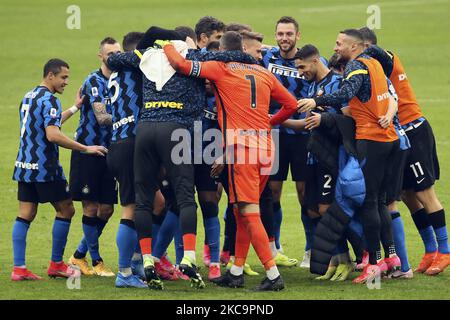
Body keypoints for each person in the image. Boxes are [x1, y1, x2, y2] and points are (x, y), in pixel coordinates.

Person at [161, 30, 299, 291]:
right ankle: (236, 271)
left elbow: (180, 65)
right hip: (267, 149)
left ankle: (273, 275)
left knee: (248, 211)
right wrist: (268, 123)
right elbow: (291, 105)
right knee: (241, 211)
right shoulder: (264, 72)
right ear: (244, 49)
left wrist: (166, 44)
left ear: (222, 49)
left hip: (242, 150)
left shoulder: (221, 67)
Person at [297, 29, 400, 284]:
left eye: (339, 43)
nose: (335, 47)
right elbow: (391, 95)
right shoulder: (376, 64)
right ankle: (391, 256)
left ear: (354, 47)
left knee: (368, 203)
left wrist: (314, 100)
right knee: (379, 202)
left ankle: (373, 264)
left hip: (371, 140)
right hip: (388, 140)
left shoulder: (358, 66)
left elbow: (345, 93)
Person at [360, 27, 450, 276]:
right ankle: (430, 249)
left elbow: (380, 54)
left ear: (367, 47)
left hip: (414, 130)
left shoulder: (386, 58)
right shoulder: (368, 70)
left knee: (424, 192)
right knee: (407, 195)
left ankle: (445, 250)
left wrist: (363, 49)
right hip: (397, 135)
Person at [11, 58, 107, 281]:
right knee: (67, 210)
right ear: (50, 76)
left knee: (25, 214)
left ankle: (19, 268)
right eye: (63, 77)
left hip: (24, 165)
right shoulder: (51, 100)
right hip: (45, 167)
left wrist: (74, 108)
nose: (66, 82)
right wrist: (86, 148)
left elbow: (47, 122)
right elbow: (52, 134)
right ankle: (56, 264)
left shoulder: (29, 96)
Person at [282, 44, 354, 281]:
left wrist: (324, 119)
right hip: (313, 154)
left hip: (331, 156)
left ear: (314, 61)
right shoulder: (313, 86)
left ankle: (348, 260)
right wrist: (278, 122)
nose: (300, 72)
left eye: (302, 67)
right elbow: (309, 123)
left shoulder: (338, 83)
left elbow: (348, 116)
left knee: (326, 209)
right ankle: (334, 261)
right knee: (312, 210)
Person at [261, 16, 319, 268]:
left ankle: (310, 249)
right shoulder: (266, 58)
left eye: (289, 34)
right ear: (275, 36)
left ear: (298, 35)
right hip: (273, 136)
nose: (284, 38)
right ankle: (276, 247)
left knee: (305, 193)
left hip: (303, 136)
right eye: (280, 34)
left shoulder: (309, 61)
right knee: (272, 191)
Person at [68, 37, 121, 277]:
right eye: (110, 53)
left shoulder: (121, 80)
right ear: (101, 56)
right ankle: (97, 261)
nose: (114, 56)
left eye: (117, 52)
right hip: (88, 151)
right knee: (90, 207)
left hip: (110, 152)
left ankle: (78, 256)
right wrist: (129, 119)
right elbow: (102, 117)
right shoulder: (94, 81)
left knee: (107, 209)